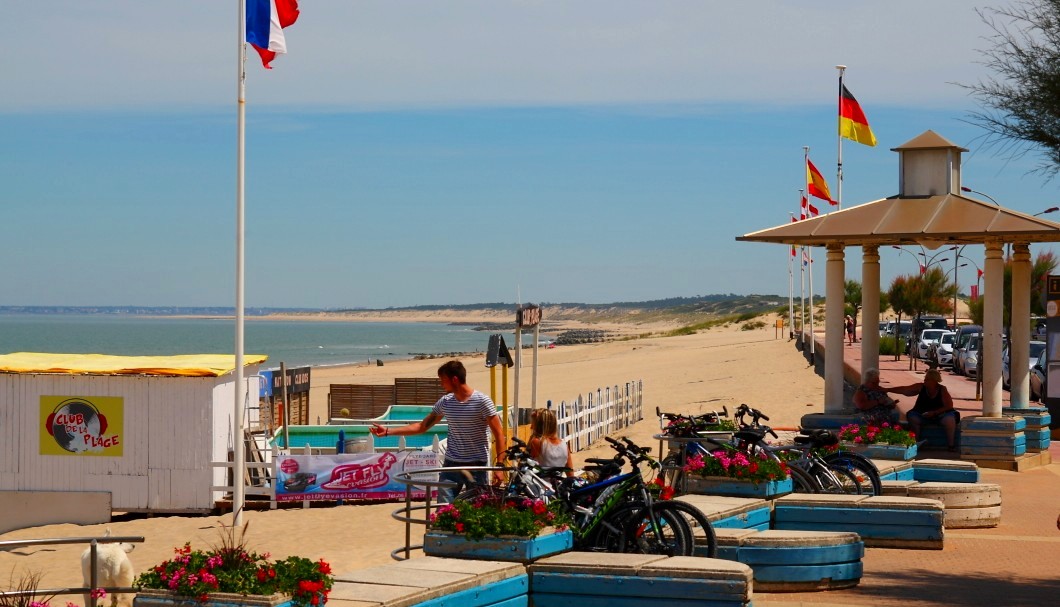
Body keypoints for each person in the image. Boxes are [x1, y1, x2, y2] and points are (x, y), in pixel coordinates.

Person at [370, 360, 506, 503]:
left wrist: (500, 466)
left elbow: (499, 434)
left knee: (478, 511)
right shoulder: (446, 402)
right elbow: (422, 427)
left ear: (454, 379)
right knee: (443, 510)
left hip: (477, 466)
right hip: (451, 465)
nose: (441, 384)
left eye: (443, 380)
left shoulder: (482, 401)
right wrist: (387, 432)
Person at [885, 368, 958, 451]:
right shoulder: (921, 387)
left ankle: (951, 445)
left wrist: (934, 412)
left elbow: (949, 406)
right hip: (922, 414)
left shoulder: (942, 389)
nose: (925, 380)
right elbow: (905, 390)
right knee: (912, 417)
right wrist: (888, 389)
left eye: (927, 379)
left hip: (940, 415)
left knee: (950, 419)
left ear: (934, 380)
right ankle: (916, 443)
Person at [527, 408, 574, 478]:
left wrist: (530, 440)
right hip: (557, 486)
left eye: (534, 424)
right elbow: (570, 474)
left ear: (540, 426)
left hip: (539, 486)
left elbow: (525, 464)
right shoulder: (564, 445)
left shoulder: (536, 442)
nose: (531, 427)